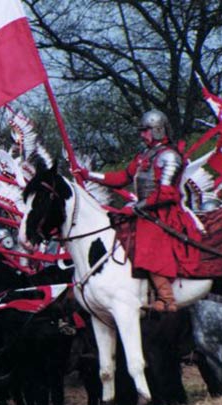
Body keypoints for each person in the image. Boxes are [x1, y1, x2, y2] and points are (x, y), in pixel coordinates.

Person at [80, 109, 201, 312]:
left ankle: (166, 297)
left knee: (147, 241)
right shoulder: (144, 156)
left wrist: (136, 208)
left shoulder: (170, 157)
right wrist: (88, 175)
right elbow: (120, 178)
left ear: (158, 130)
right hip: (146, 210)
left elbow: (165, 194)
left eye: (146, 131)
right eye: (142, 131)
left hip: (164, 213)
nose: (142, 135)